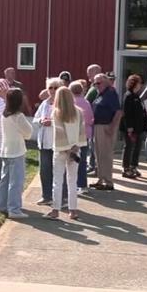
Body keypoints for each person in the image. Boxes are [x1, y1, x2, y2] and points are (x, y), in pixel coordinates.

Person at [46, 86, 87, 220]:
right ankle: (73, 210)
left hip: (61, 150)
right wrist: (75, 147)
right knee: (72, 181)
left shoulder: (56, 113)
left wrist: (67, 148)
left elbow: (59, 133)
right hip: (75, 149)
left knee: (57, 180)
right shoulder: (79, 112)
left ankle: (55, 210)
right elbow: (82, 132)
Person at [0, 88, 33, 219]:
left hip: (6, 150)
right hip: (17, 150)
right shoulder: (18, 116)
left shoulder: (4, 114)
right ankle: (14, 209)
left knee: (5, 180)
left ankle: (1, 205)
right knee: (16, 182)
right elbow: (29, 133)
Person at [34, 77, 63, 205]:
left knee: (59, 171)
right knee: (44, 171)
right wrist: (41, 120)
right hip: (44, 143)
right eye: (50, 87)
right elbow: (35, 118)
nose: (52, 90)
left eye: (55, 87)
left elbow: (66, 121)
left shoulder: (63, 103)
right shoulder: (44, 103)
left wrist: (51, 123)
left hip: (58, 143)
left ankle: (62, 198)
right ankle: (46, 196)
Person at [90, 73, 122, 190]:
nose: (97, 85)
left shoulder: (110, 93)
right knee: (98, 154)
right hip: (98, 126)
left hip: (106, 127)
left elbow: (118, 112)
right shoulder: (100, 94)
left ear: (106, 81)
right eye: (95, 83)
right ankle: (100, 179)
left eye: (99, 83)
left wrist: (112, 127)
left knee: (106, 155)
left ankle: (108, 182)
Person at [70, 81, 94, 196]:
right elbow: (90, 119)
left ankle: (72, 185)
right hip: (84, 135)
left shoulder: (70, 103)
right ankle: (83, 185)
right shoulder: (86, 102)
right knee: (83, 161)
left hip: (72, 136)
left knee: (71, 161)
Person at [121, 74, 146, 178]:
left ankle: (133, 166)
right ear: (134, 84)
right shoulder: (128, 96)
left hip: (139, 128)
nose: (140, 85)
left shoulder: (137, 96)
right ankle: (126, 168)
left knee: (137, 147)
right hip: (130, 128)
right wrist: (129, 127)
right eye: (139, 83)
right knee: (129, 147)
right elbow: (127, 113)